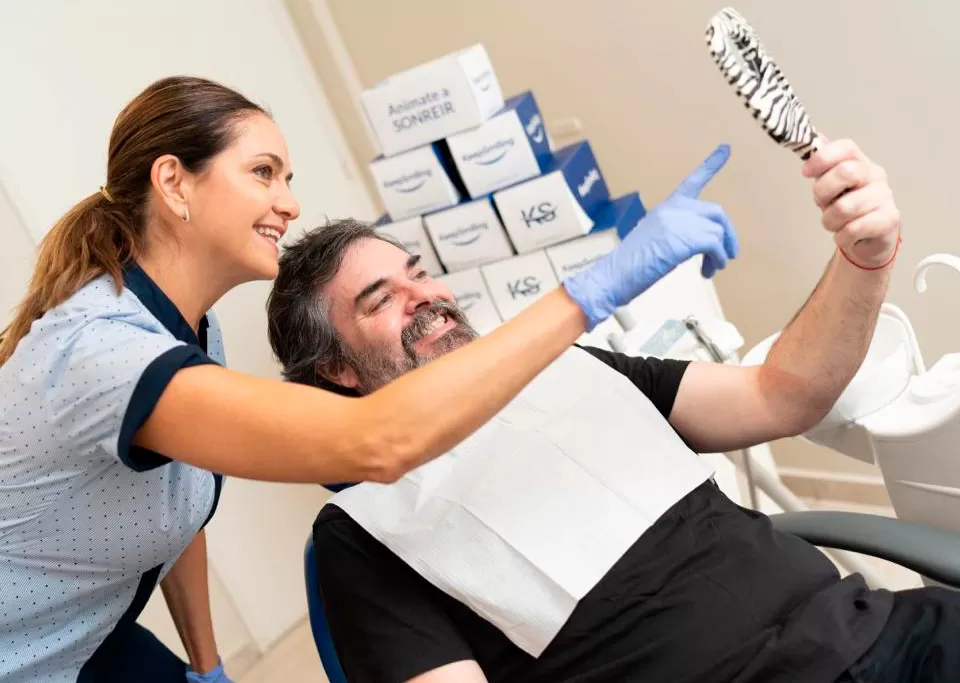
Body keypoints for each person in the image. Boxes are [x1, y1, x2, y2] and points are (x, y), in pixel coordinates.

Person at [0, 76, 738, 683]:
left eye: (288, 177)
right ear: (173, 182)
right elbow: (376, 440)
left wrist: (206, 663)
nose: (289, 202)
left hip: (89, 634)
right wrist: (590, 292)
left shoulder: (190, 329)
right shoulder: (102, 354)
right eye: (263, 172)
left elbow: (171, 501)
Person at [271, 140, 960, 683]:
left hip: (877, 641)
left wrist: (863, 257)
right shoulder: (364, 536)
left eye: (419, 274)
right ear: (338, 370)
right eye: (381, 300)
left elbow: (785, 393)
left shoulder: (567, 370)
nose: (425, 298)